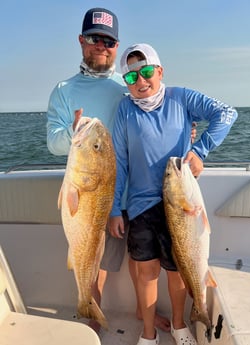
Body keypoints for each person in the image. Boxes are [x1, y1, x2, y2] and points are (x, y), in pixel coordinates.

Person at [46, 8, 171, 332]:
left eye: (109, 41)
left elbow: (157, 117)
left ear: (116, 47)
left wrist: (187, 133)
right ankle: (91, 312)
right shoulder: (63, 90)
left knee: (142, 261)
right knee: (95, 257)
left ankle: (142, 314)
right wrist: (74, 133)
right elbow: (53, 141)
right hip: (96, 191)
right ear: (81, 41)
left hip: (140, 189)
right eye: (93, 38)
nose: (101, 46)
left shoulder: (128, 82)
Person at [109, 43, 238, 345]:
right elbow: (120, 162)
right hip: (140, 206)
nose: (141, 82)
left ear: (160, 70)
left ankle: (181, 327)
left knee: (177, 271)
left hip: (180, 204)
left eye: (147, 72)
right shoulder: (125, 110)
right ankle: (149, 333)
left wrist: (200, 149)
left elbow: (226, 113)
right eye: (131, 78)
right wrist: (115, 208)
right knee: (147, 272)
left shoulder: (181, 97)